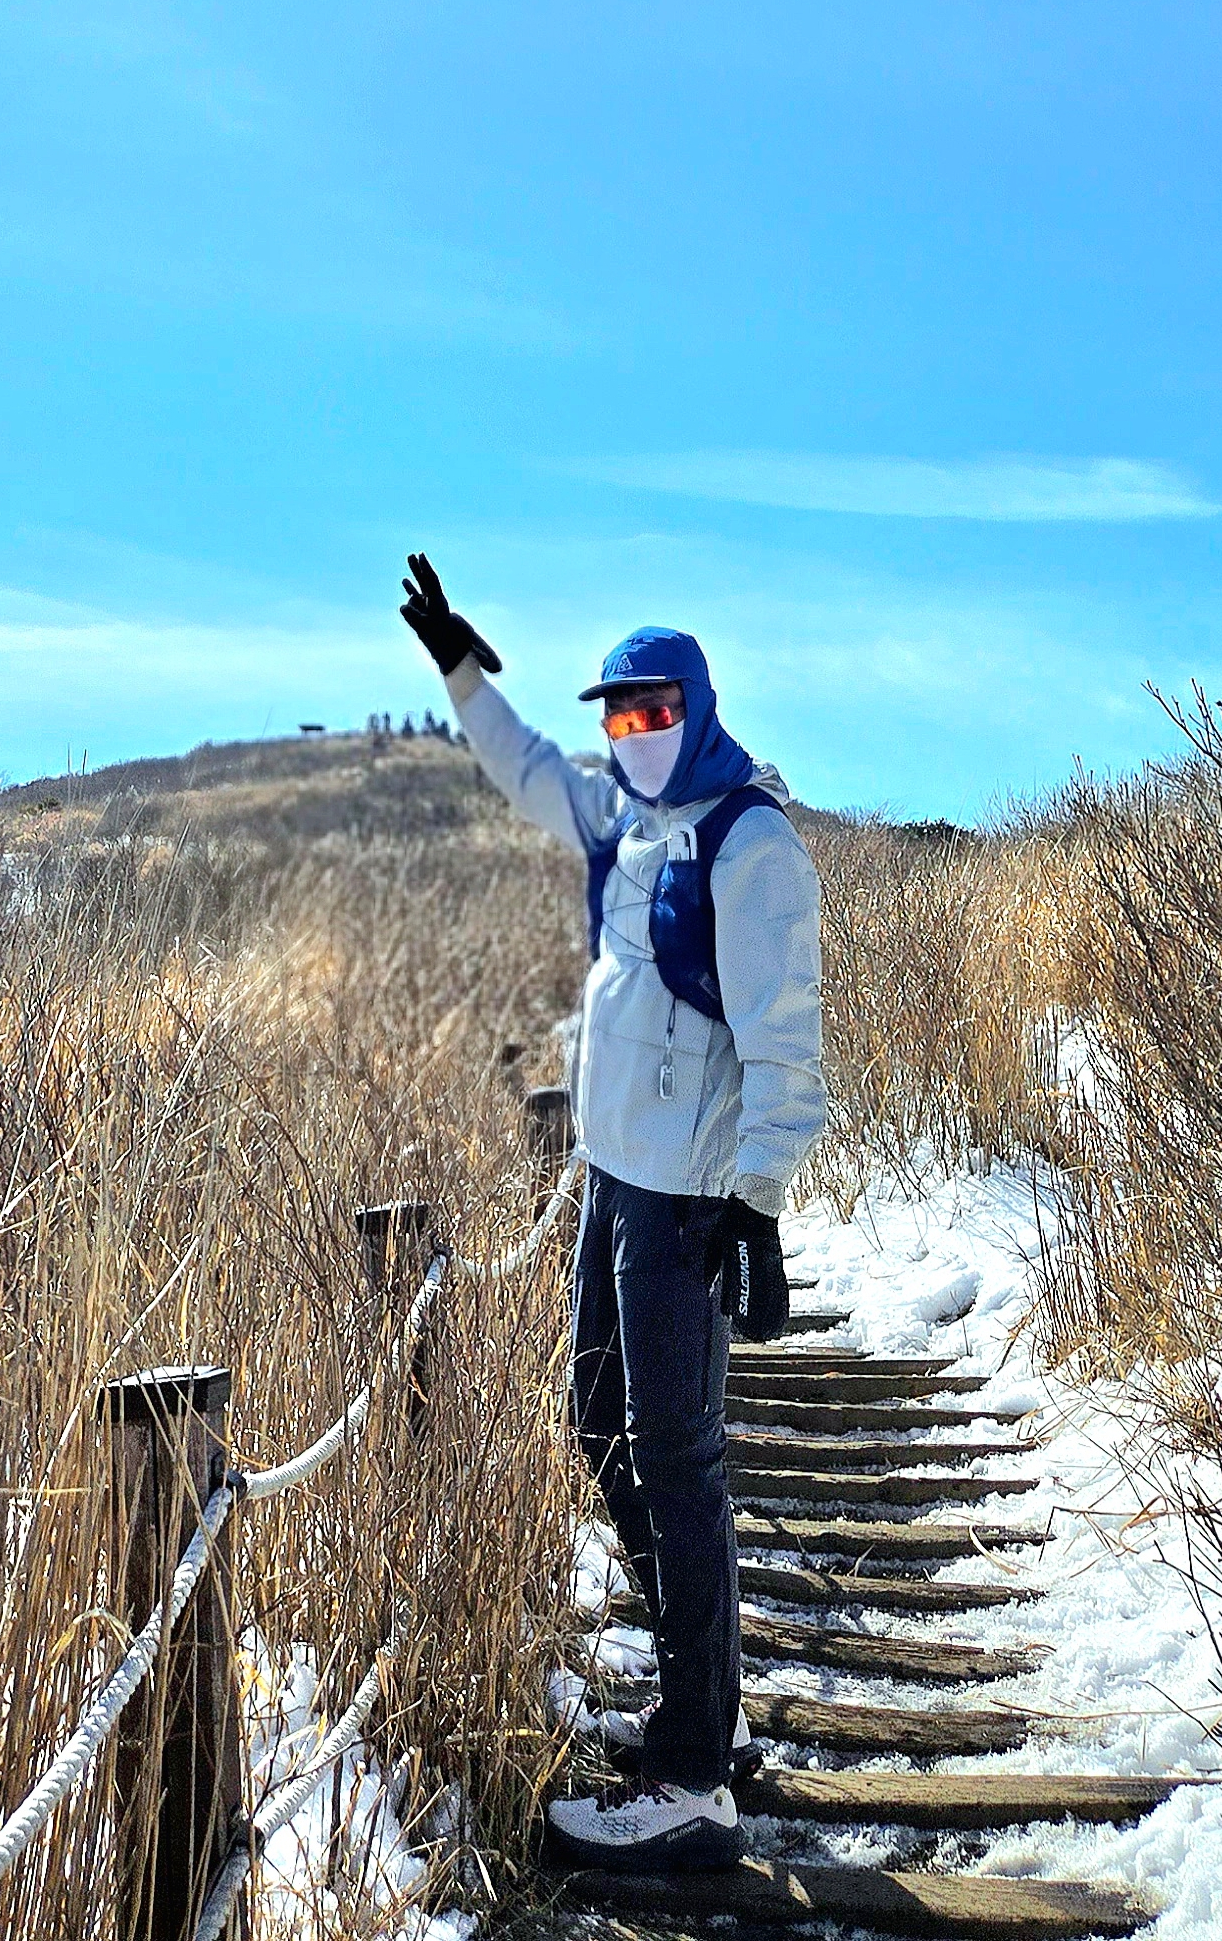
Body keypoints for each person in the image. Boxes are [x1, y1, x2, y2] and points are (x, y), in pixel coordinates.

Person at [400, 553, 825, 1873]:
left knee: (677, 1455)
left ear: (693, 709)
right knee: (599, 1420)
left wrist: (752, 1206)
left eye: (649, 711)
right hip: (610, 1174)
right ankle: (705, 1700)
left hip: (686, 1196)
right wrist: (460, 671)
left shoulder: (749, 844)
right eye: (614, 714)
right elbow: (524, 765)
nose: (626, 734)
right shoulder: (621, 825)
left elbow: (788, 1043)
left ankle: (695, 1773)